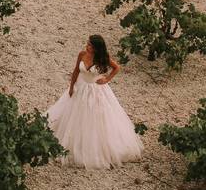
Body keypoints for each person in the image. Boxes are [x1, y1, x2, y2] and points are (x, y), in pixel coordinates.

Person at [46, 35, 144, 169]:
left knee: (97, 117)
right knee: (72, 115)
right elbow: (75, 71)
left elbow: (117, 68)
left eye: (90, 45)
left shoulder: (103, 58)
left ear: (97, 48)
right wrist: (71, 86)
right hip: (80, 87)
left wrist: (106, 79)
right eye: (87, 44)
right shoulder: (82, 54)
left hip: (96, 90)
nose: (87, 46)